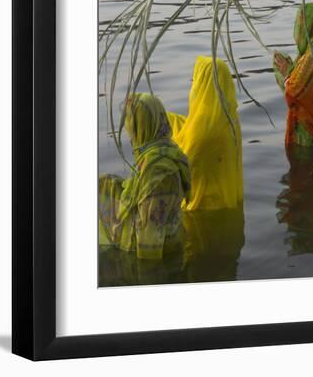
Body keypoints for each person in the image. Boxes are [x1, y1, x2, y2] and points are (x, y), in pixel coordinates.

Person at [98, 93, 191, 260]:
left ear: (142, 126)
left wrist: (144, 281)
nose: (129, 132)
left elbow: (149, 242)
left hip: (156, 250)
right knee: (103, 183)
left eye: (131, 126)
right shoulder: (161, 150)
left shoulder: (159, 173)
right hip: (167, 236)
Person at [168, 55, 243, 211]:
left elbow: (183, 160)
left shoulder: (204, 132)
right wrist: (166, 117)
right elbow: (191, 128)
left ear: (204, 83)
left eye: (196, 80)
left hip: (204, 208)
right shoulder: (228, 116)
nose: (193, 85)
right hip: (226, 201)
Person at [273, 2, 313, 148]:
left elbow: (294, 92)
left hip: (308, 139)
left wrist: (285, 73)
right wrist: (291, 70)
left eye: (301, 24)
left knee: (302, 169)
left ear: (309, 26)